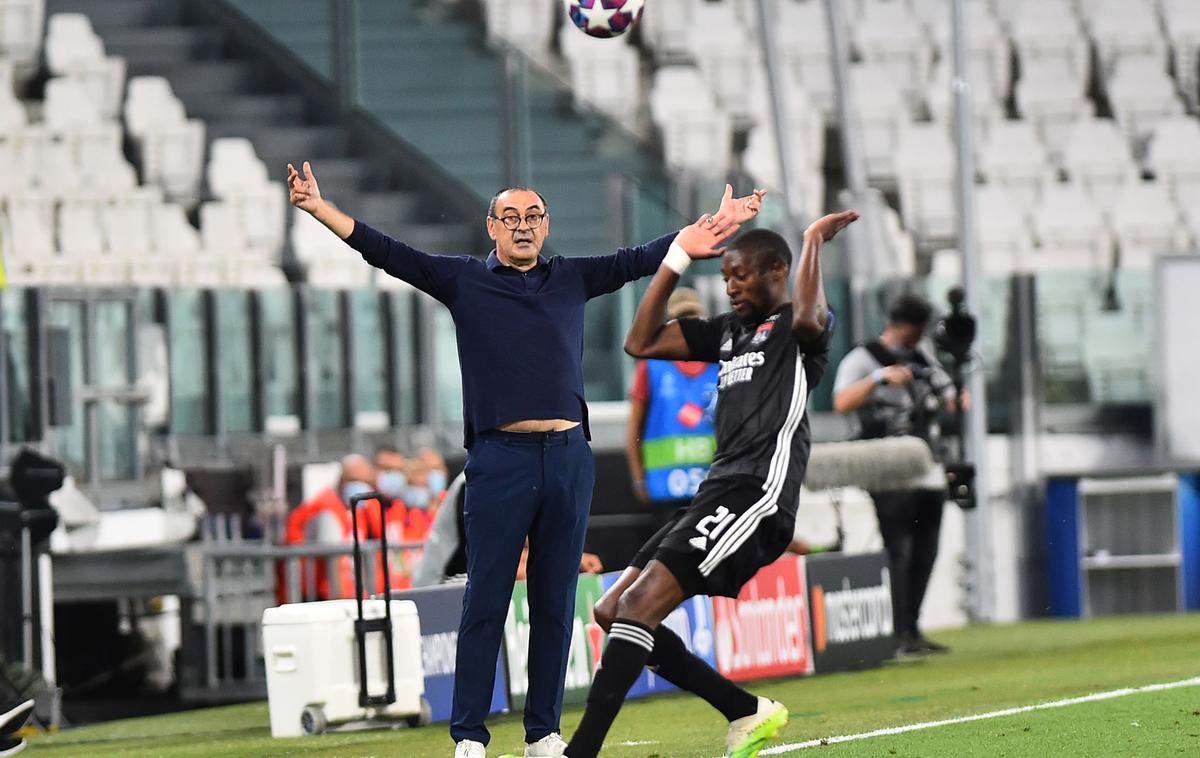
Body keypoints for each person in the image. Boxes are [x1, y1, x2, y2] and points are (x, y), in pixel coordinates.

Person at [287, 160, 763, 758]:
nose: (522, 226)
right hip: (499, 458)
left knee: (555, 603)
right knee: (485, 598)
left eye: (532, 216)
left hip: (569, 456)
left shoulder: (570, 277)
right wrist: (319, 207)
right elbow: (385, 251)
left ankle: (543, 733)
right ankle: (469, 736)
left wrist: (710, 229)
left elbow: (640, 257)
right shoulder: (463, 280)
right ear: (491, 227)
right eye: (509, 217)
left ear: (546, 224)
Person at [527, 211, 859, 758]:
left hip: (758, 494)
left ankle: (580, 752)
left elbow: (806, 315)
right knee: (612, 611)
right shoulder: (728, 333)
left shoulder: (801, 333)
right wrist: (676, 258)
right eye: (725, 276)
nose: (730, 286)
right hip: (715, 490)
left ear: (778, 270)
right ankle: (745, 711)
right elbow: (640, 341)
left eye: (741, 276)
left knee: (638, 609)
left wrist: (812, 241)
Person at [831, 293, 963, 656]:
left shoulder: (923, 357)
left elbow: (955, 403)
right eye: (911, 332)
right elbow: (841, 402)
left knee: (926, 550)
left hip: (927, 466)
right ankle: (896, 633)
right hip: (886, 467)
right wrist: (878, 378)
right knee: (899, 550)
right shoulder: (863, 358)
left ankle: (911, 628)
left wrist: (958, 370)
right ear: (896, 325)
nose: (913, 340)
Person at [626, 287, 719, 527]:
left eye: (693, 318)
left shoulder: (720, 364)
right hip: (664, 489)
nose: (688, 326)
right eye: (682, 319)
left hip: (712, 485)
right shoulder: (651, 366)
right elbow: (634, 427)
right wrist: (638, 479)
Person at [412, 473, 603, 586]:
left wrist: (572, 559)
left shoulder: (527, 478)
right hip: (441, 586)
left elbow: (529, 544)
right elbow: (498, 561)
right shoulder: (477, 482)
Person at [280, 454, 378, 602]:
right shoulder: (327, 507)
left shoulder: (356, 509)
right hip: (323, 595)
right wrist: (337, 600)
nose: (361, 485)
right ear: (341, 480)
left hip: (348, 593)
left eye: (366, 481)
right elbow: (332, 560)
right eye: (354, 480)